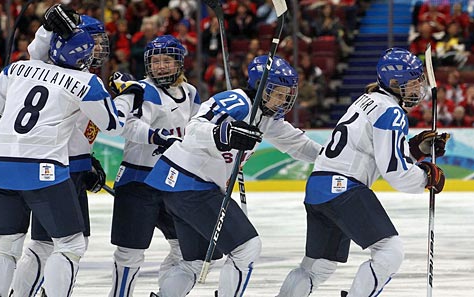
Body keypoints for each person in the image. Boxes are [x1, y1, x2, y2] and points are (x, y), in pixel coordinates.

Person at [0, 25, 138, 297]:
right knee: (70, 245)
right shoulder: (87, 82)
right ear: (83, 57)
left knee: (5, 243)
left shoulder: (16, 69)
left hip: (0, 167)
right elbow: (113, 124)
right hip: (45, 170)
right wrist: (129, 96)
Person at [143, 55, 322, 297]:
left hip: (179, 185)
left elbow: (298, 145)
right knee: (246, 247)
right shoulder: (237, 101)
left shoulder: (265, 117)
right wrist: (223, 133)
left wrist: (332, 159)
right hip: (190, 183)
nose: (282, 100)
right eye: (277, 93)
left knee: (193, 261)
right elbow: (193, 130)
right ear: (260, 87)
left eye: (285, 94)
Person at [276, 48, 449, 297]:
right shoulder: (391, 111)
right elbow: (395, 171)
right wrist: (426, 177)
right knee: (390, 252)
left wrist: (415, 150)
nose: (417, 89)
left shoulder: (367, 100)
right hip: (343, 189)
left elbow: (377, 155)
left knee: (317, 266)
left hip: (318, 187)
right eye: (412, 83)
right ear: (394, 83)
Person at [8, 7, 119, 296]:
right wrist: (46, 28)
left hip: (68, 168)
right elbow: (36, 53)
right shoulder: (63, 74)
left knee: (48, 244)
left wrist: (87, 162)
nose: (97, 48)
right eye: (92, 42)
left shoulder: (81, 77)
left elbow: (80, 130)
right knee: (61, 244)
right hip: (59, 169)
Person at [108, 34, 202, 297]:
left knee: (185, 249)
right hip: (139, 181)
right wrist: (156, 136)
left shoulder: (191, 92)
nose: (160, 66)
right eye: (156, 61)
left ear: (179, 63)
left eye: (166, 61)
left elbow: (199, 129)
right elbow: (125, 125)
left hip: (174, 180)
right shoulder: (141, 89)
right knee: (130, 252)